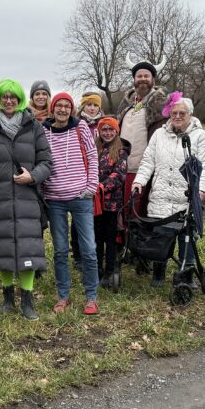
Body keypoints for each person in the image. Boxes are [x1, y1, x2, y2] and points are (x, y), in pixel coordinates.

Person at [0, 79, 52, 320]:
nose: (9, 101)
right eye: (4, 97)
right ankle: (7, 299)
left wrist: (33, 176)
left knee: (29, 247)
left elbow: (47, 162)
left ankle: (27, 301)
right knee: (3, 248)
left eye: (13, 97)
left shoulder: (33, 126)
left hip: (28, 197)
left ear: (19, 100)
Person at [131, 95, 205, 286]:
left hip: (187, 197)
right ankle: (158, 273)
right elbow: (148, 161)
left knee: (187, 237)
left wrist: (202, 191)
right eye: (173, 112)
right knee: (160, 236)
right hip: (161, 195)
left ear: (190, 114)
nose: (177, 116)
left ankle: (186, 274)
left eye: (182, 113)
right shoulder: (159, 134)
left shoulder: (200, 136)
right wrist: (139, 181)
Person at [43, 92, 100, 315]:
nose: (63, 110)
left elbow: (93, 156)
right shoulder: (43, 131)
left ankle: (91, 296)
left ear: (72, 109)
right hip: (55, 200)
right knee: (59, 250)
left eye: (67, 106)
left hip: (81, 198)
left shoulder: (81, 128)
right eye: (59, 106)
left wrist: (91, 186)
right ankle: (63, 295)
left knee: (88, 249)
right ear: (53, 108)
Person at [116, 57, 169, 209]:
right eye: (139, 76)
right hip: (123, 168)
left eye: (146, 76)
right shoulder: (126, 104)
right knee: (123, 211)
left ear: (153, 78)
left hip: (146, 170)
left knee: (139, 212)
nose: (143, 79)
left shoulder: (162, 105)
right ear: (134, 79)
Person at [93, 116, 129, 286]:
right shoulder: (95, 148)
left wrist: (101, 186)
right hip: (95, 203)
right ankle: (97, 269)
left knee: (110, 238)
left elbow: (119, 175)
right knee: (97, 237)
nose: (107, 133)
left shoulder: (121, 150)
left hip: (112, 203)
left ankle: (110, 271)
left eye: (110, 129)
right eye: (104, 129)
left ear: (116, 131)